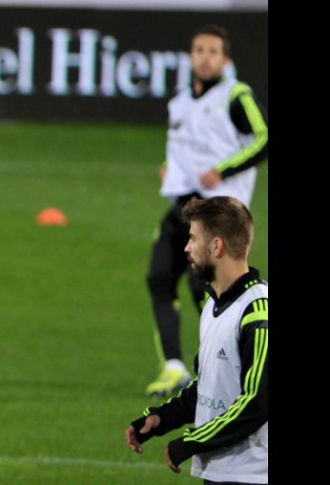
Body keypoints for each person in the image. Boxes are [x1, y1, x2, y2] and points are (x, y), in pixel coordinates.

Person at [145, 24, 268, 397]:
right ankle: (173, 367)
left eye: (213, 51)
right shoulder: (180, 101)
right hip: (184, 206)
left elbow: (264, 138)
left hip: (220, 213)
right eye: (199, 50)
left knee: (210, 289)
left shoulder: (235, 95)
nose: (205, 57)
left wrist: (224, 170)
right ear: (191, 56)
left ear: (225, 60)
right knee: (159, 278)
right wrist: (170, 168)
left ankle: (228, 369)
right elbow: (184, 147)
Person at [126, 196, 268, 484]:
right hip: (222, 469)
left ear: (216, 246)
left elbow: (258, 401)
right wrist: (161, 419)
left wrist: (191, 442)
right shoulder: (212, 304)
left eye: (193, 239)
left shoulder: (257, 311)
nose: (186, 248)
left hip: (253, 474)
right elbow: (208, 384)